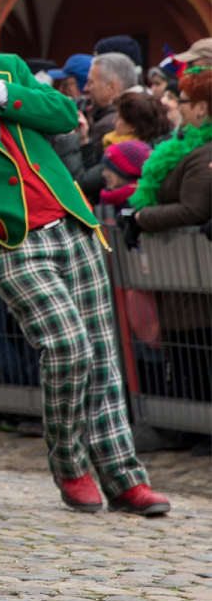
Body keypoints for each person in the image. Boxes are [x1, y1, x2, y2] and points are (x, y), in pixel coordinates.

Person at [0, 0, 169, 517]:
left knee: (102, 355)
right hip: (12, 243)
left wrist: (4, 93)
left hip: (72, 225)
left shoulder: (7, 69)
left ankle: (124, 479)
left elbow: (64, 116)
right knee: (67, 346)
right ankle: (70, 465)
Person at [122, 67, 212, 404]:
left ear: (201, 108)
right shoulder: (186, 147)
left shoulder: (204, 152)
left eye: (183, 101)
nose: (175, 105)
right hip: (182, 283)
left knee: (198, 364)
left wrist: (141, 217)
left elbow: (193, 210)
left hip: (197, 288)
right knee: (187, 362)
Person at [98, 140, 152, 208]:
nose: (103, 173)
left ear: (125, 174)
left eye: (109, 170)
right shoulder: (111, 198)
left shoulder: (136, 206)